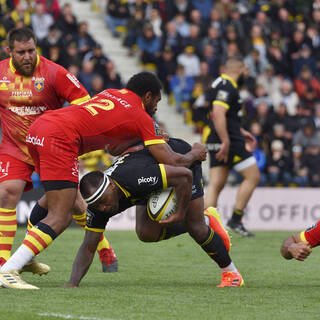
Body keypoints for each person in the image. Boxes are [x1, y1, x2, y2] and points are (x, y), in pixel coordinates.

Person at [0, 72, 207, 289]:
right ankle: (8, 269)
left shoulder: (111, 94)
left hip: (39, 129)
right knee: (60, 216)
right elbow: (172, 160)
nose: (156, 107)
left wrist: (150, 135)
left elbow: (113, 146)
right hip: (60, 138)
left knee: (58, 199)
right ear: (148, 96)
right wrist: (195, 152)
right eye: (157, 101)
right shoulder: (141, 115)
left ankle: (26, 258)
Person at [0, 27, 117, 275]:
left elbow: (85, 103)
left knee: (72, 203)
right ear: (9, 51)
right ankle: (4, 263)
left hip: (50, 146)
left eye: (32, 50)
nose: (28, 56)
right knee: (7, 192)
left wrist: (63, 126)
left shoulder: (54, 72)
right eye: (21, 52)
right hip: (15, 147)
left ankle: (104, 248)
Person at [62, 138, 244, 288]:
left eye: (103, 202)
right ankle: (206, 219)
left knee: (195, 226)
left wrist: (181, 213)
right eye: (96, 205)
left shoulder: (136, 177)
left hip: (180, 160)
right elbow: (88, 246)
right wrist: (72, 283)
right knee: (146, 233)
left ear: (111, 186)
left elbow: (184, 176)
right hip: (150, 176)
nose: (102, 208)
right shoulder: (98, 204)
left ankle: (232, 274)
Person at [203, 58, 260, 237]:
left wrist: (241, 130)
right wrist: (226, 140)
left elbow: (225, 115)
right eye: (247, 70)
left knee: (216, 183)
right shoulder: (227, 85)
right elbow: (219, 112)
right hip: (228, 140)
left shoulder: (220, 83)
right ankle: (235, 220)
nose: (247, 75)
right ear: (240, 68)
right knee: (253, 176)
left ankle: (206, 226)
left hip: (221, 135)